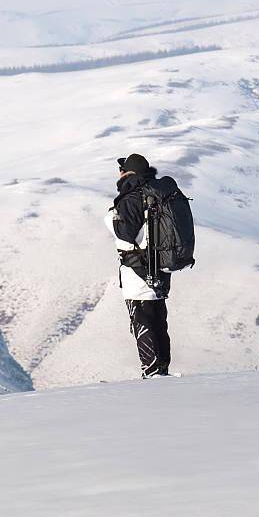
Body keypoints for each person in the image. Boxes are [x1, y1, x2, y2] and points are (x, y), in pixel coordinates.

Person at [110, 152, 177, 377]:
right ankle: (162, 368)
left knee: (142, 320)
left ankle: (152, 371)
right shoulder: (155, 194)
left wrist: (112, 218)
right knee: (158, 320)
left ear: (127, 172)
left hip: (138, 270)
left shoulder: (131, 198)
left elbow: (127, 234)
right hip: (160, 265)